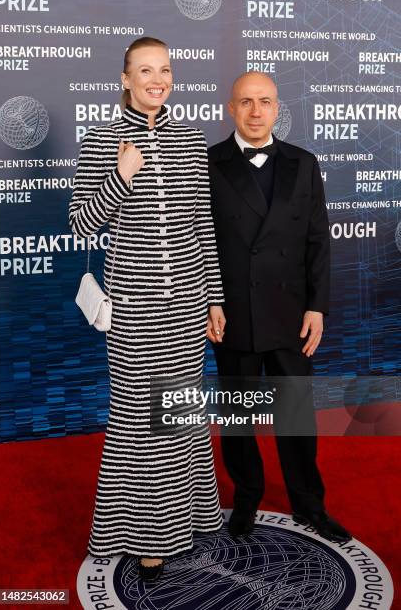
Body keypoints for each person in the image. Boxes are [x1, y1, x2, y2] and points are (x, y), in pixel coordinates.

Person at [69, 36, 226, 581]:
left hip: (186, 304)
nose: (156, 80)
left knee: (180, 410)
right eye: (145, 71)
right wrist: (121, 177)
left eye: (164, 70)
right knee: (140, 421)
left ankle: (196, 514)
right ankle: (145, 537)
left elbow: (203, 226)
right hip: (133, 308)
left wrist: (215, 299)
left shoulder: (189, 136)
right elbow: (81, 224)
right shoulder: (103, 138)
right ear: (125, 79)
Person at [207, 72, 351, 543]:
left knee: (296, 416)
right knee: (238, 419)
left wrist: (317, 308)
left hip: (291, 314)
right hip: (233, 313)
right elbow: (195, 241)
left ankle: (310, 505)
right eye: (245, 102)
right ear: (231, 108)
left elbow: (317, 241)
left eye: (264, 101)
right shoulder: (209, 163)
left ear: (277, 107)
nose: (255, 111)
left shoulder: (303, 163)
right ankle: (246, 499)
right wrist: (210, 301)